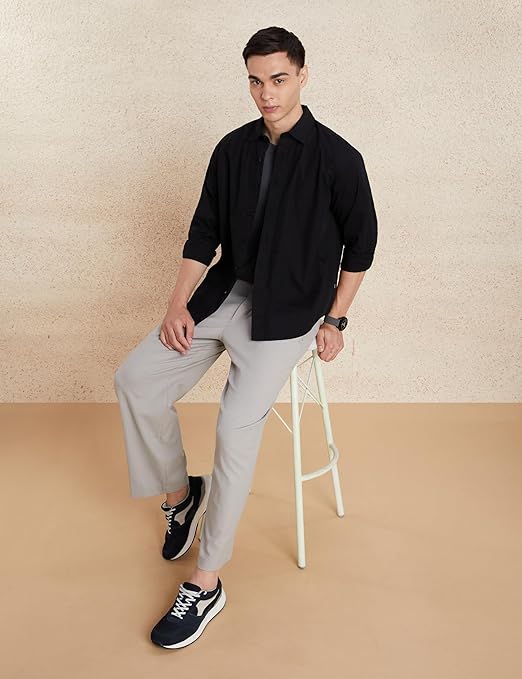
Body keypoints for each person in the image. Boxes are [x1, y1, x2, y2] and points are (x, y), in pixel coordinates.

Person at [114, 25, 378, 649]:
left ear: (302, 76)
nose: (266, 94)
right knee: (136, 380)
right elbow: (203, 232)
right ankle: (181, 496)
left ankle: (206, 582)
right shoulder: (232, 149)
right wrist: (177, 304)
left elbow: (361, 245)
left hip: (287, 314)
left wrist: (336, 320)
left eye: (278, 79)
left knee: (235, 429)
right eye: (256, 81)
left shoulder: (339, 158)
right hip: (224, 294)